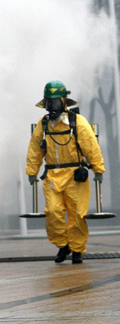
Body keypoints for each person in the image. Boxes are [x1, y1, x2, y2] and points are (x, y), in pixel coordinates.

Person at [26, 80, 105, 264]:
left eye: (55, 103)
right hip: (53, 175)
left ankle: (77, 250)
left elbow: (90, 146)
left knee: (77, 214)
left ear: (63, 102)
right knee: (53, 212)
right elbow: (35, 149)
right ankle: (63, 245)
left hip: (75, 175)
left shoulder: (77, 122)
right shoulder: (44, 124)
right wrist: (32, 171)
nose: (52, 107)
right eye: (49, 103)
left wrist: (98, 168)